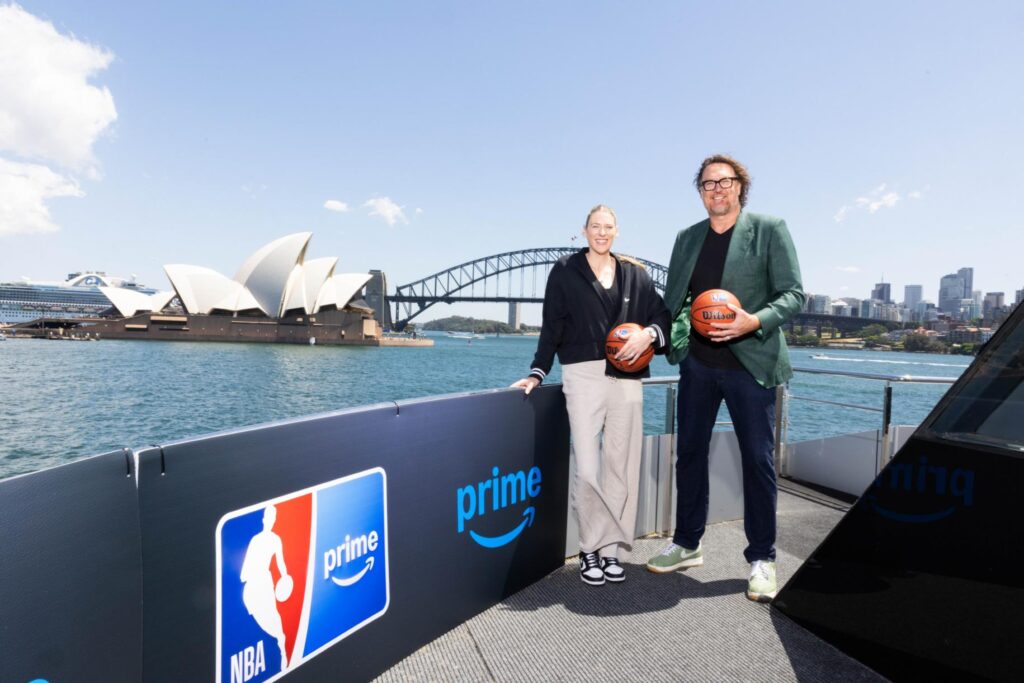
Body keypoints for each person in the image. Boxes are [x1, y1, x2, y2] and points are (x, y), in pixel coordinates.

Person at [645, 155, 804, 602]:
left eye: (725, 181)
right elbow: (674, 299)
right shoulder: (687, 238)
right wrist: (654, 335)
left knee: (757, 460)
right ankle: (687, 543)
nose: (716, 189)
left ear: (740, 187)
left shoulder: (770, 229)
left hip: (750, 364)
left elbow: (794, 294)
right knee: (690, 454)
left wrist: (752, 321)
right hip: (699, 363)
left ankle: (762, 558)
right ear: (700, 191)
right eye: (707, 183)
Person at [512, 204, 670, 586]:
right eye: (595, 226)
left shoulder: (636, 274)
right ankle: (589, 548)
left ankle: (611, 549)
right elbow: (552, 326)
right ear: (584, 231)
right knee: (588, 468)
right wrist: (537, 371)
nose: (602, 232)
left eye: (608, 227)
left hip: (628, 377)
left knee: (622, 466)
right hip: (582, 375)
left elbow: (662, 318)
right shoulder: (566, 270)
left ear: (617, 231)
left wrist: (647, 334)